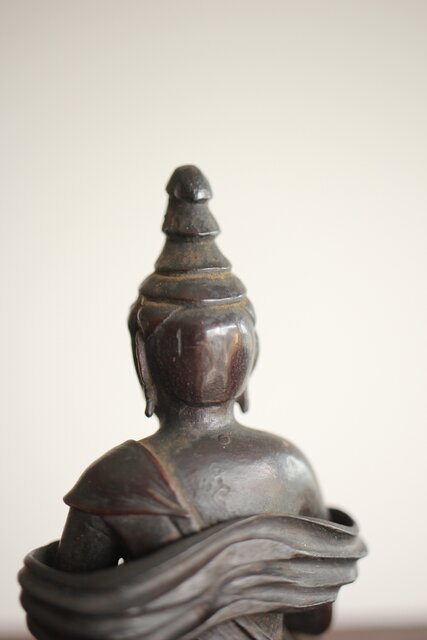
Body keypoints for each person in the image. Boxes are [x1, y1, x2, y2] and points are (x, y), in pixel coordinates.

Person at [19, 166, 366, 640]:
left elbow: (69, 621)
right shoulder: (289, 466)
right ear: (249, 355)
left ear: (143, 360)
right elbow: (313, 617)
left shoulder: (115, 480)